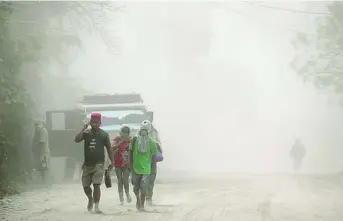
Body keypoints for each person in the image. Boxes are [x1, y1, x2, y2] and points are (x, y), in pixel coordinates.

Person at [74, 113, 114, 213]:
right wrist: (83, 129)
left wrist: (112, 161)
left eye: (97, 123)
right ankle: (90, 199)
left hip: (99, 164)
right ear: (90, 123)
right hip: (87, 164)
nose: (95, 124)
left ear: (100, 123)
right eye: (93, 122)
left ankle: (96, 207)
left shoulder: (104, 135)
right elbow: (76, 140)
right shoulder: (86, 133)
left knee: (96, 185)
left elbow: (109, 148)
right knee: (86, 186)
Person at [129, 121, 157, 211]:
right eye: (142, 130)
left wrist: (153, 170)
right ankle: (138, 199)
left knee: (144, 187)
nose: (143, 132)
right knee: (136, 187)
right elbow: (130, 152)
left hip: (146, 169)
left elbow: (154, 157)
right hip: (135, 168)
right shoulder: (134, 140)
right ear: (140, 130)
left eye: (145, 130)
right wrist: (130, 164)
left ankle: (142, 204)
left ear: (148, 131)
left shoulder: (152, 142)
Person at [112, 124, 132, 205]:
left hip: (126, 164)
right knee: (120, 181)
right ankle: (121, 199)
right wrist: (120, 142)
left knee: (126, 181)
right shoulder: (117, 139)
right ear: (121, 132)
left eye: (127, 132)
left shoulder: (131, 140)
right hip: (117, 163)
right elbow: (112, 148)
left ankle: (127, 195)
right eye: (124, 132)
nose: (125, 134)